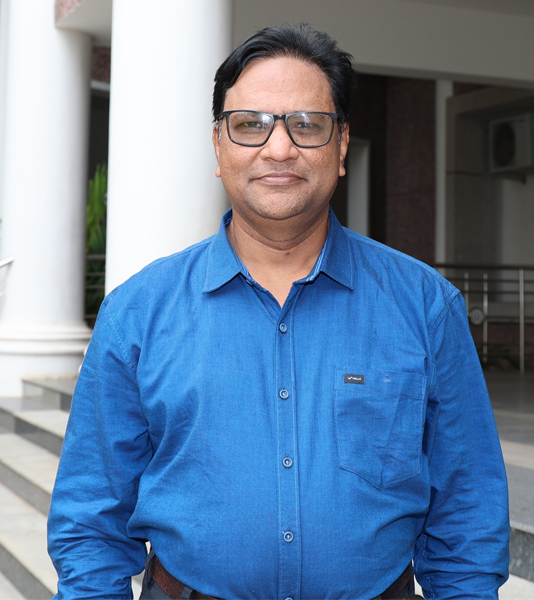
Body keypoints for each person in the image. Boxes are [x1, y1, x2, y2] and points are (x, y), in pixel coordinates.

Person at [48, 23, 509, 600]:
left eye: (307, 124)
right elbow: (90, 519)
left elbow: (467, 509)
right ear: (219, 146)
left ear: (341, 145)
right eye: (251, 125)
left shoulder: (424, 306)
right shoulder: (138, 313)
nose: (279, 148)